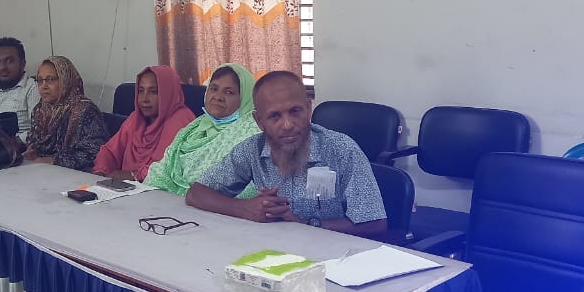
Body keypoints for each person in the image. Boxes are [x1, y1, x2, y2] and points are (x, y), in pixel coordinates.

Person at [185, 71, 388, 238]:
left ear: (308, 109)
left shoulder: (341, 150)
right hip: (272, 251)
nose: (288, 125)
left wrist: (306, 224)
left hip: (333, 254)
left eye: (295, 111)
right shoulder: (252, 150)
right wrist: (242, 208)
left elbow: (375, 223)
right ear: (259, 121)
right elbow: (196, 193)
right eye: (274, 116)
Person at [143, 63, 261, 198]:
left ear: (245, 98)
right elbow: (163, 166)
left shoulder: (251, 132)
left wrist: (194, 198)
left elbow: (247, 188)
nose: (218, 97)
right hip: (169, 202)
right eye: (214, 88)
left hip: (213, 207)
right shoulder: (197, 125)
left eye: (229, 92)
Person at [93, 65, 195, 181]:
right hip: (125, 188)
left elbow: (165, 168)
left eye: (153, 92)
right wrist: (101, 171)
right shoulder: (136, 118)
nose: (144, 99)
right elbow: (110, 151)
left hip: (160, 189)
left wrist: (133, 175)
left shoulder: (181, 119)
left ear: (168, 93)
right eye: (140, 91)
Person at [23, 55, 108, 171]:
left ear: (66, 80)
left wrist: (54, 161)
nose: (44, 86)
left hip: (78, 174)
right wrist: (32, 152)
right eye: (40, 80)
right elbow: (35, 144)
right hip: (43, 171)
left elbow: (95, 152)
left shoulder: (85, 110)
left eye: (50, 79)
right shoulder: (40, 110)